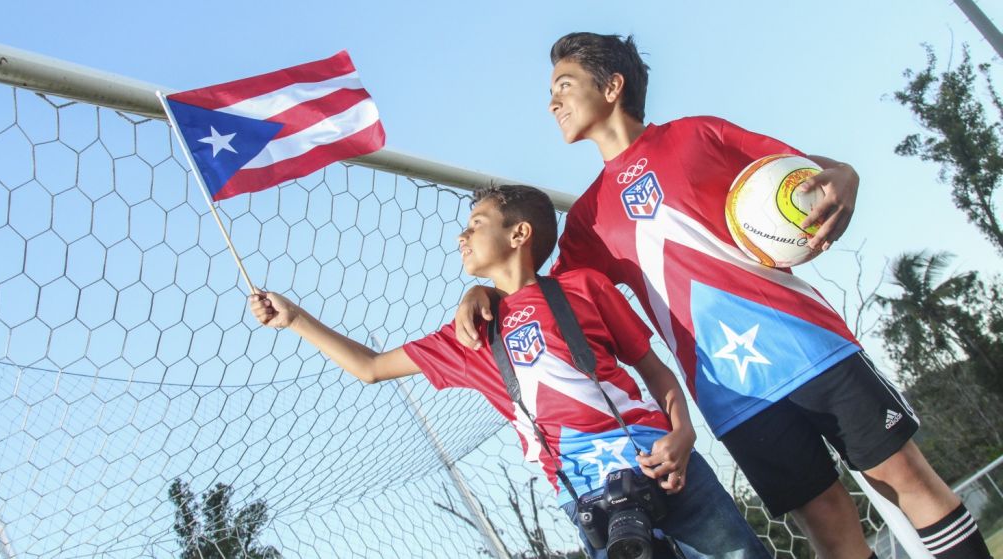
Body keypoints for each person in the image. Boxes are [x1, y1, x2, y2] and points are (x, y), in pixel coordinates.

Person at [453, 33, 992, 559]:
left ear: (612, 86)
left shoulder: (696, 134)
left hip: (807, 344)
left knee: (904, 478)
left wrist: (845, 174)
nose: (553, 102)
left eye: (564, 85)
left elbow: (804, 173)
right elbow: (540, 297)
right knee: (827, 522)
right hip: (729, 391)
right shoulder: (588, 219)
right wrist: (481, 294)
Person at [250, 184, 770, 559]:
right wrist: (295, 319)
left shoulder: (584, 287)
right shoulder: (469, 336)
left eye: (475, 224)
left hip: (667, 466)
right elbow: (369, 367)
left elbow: (654, 371)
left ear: (520, 233)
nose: (462, 236)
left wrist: (683, 433)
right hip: (588, 499)